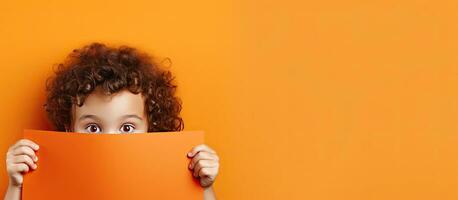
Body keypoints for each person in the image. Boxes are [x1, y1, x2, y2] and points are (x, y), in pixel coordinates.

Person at [4, 43, 219, 200]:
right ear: (69, 129)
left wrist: (204, 186)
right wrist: (16, 185)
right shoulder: (54, 179)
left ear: (150, 128)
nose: (109, 141)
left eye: (127, 127)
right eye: (93, 127)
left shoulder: (164, 178)